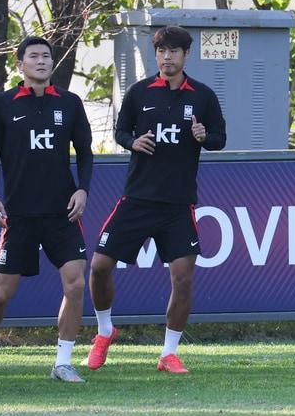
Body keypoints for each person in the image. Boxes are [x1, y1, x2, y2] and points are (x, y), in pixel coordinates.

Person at [88, 25, 225, 374]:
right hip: (137, 198)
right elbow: (120, 130)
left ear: (185, 55)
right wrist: (132, 142)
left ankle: (168, 353)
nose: (167, 57)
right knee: (99, 266)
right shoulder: (139, 92)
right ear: (157, 55)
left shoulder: (203, 96)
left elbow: (219, 138)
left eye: (174, 51)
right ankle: (105, 330)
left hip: (178, 204)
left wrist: (203, 135)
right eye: (162, 51)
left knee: (182, 277)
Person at [0, 37, 92, 383]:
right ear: (20, 62)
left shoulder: (69, 103)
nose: (41, 61)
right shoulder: (3, 103)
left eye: (46, 56)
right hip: (19, 215)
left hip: (61, 214)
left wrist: (83, 189)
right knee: (1, 295)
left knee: (76, 284)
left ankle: (63, 362)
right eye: (34, 56)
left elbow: (84, 151)